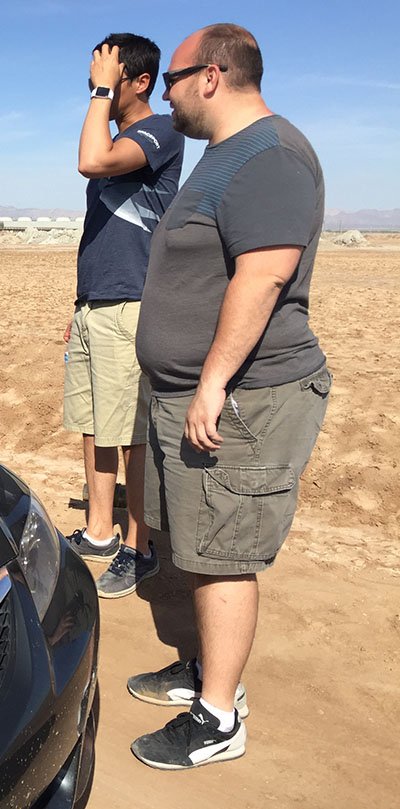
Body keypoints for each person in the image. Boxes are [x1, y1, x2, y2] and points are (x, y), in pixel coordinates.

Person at [129, 23, 331, 770]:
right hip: (188, 391)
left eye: (173, 80)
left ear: (210, 76)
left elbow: (264, 275)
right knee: (192, 542)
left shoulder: (269, 155)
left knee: (221, 555)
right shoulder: (225, 155)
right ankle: (204, 670)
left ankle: (219, 717)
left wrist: (212, 383)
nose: (166, 96)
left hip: (243, 398)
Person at [62, 33, 184, 599]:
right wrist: (82, 304)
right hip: (96, 303)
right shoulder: (113, 137)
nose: (97, 88)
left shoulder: (161, 131)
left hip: (131, 305)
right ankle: (99, 530)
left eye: (108, 77)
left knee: (132, 434)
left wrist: (100, 92)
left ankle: (141, 547)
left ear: (139, 82)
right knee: (94, 424)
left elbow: (91, 162)